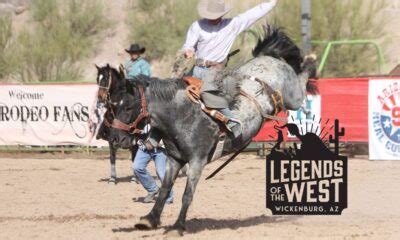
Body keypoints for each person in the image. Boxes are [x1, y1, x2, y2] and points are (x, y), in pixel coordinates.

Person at [182, 0, 278, 138]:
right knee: (177, 91)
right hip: (197, 68)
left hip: (215, 72)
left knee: (208, 94)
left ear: (221, 15)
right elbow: (188, 44)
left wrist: (272, 3)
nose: (213, 18)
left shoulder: (232, 24)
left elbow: (253, 13)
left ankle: (233, 122)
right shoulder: (197, 26)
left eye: (215, 15)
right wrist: (188, 50)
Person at [134, 125, 173, 204]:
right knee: (137, 167)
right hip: (143, 147)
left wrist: (159, 143)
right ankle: (152, 189)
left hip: (160, 149)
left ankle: (169, 197)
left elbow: (168, 129)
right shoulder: (141, 116)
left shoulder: (162, 114)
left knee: (161, 173)